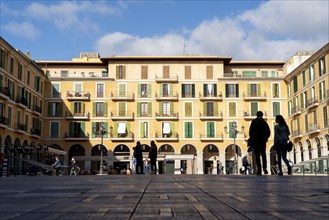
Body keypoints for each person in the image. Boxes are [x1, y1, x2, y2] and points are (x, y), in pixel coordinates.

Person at [249, 111, 271, 175]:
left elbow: (251, 131)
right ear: (262, 115)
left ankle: (259, 169)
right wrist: (265, 138)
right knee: (263, 154)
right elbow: (268, 131)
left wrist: (252, 138)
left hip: (256, 141)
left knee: (257, 156)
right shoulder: (264, 122)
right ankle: (265, 168)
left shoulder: (254, 122)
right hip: (262, 141)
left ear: (256, 115)